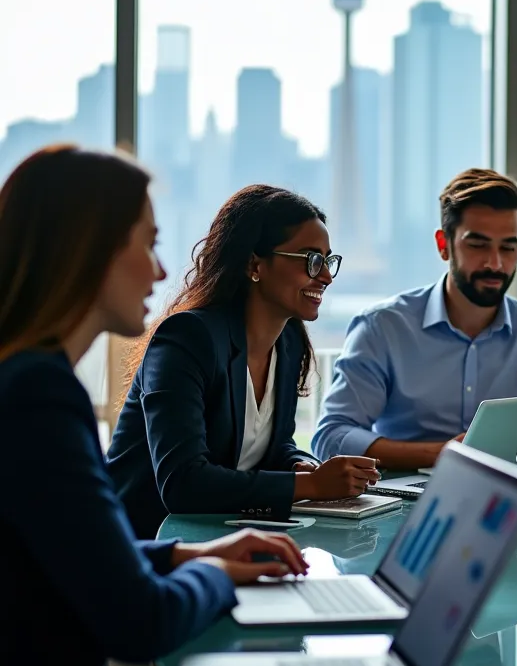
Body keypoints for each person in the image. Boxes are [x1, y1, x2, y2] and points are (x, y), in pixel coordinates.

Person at [0, 146, 309, 666]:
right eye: (148, 244)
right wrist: (220, 577)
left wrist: (189, 553)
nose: (163, 270)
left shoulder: (25, 377)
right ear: (90, 252)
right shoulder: (39, 398)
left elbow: (65, 551)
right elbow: (138, 624)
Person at [108, 185, 379, 538]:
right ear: (255, 264)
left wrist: (305, 467)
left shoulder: (290, 341)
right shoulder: (187, 338)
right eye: (311, 260)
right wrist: (311, 486)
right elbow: (182, 483)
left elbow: (272, 444)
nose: (325, 276)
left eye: (328, 261)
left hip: (227, 533)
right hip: (146, 544)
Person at [312, 168, 517, 471]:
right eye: (477, 245)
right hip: (403, 509)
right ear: (444, 245)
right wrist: (444, 453)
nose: (495, 263)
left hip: (515, 503)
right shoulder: (383, 328)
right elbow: (332, 436)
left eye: (507, 247)